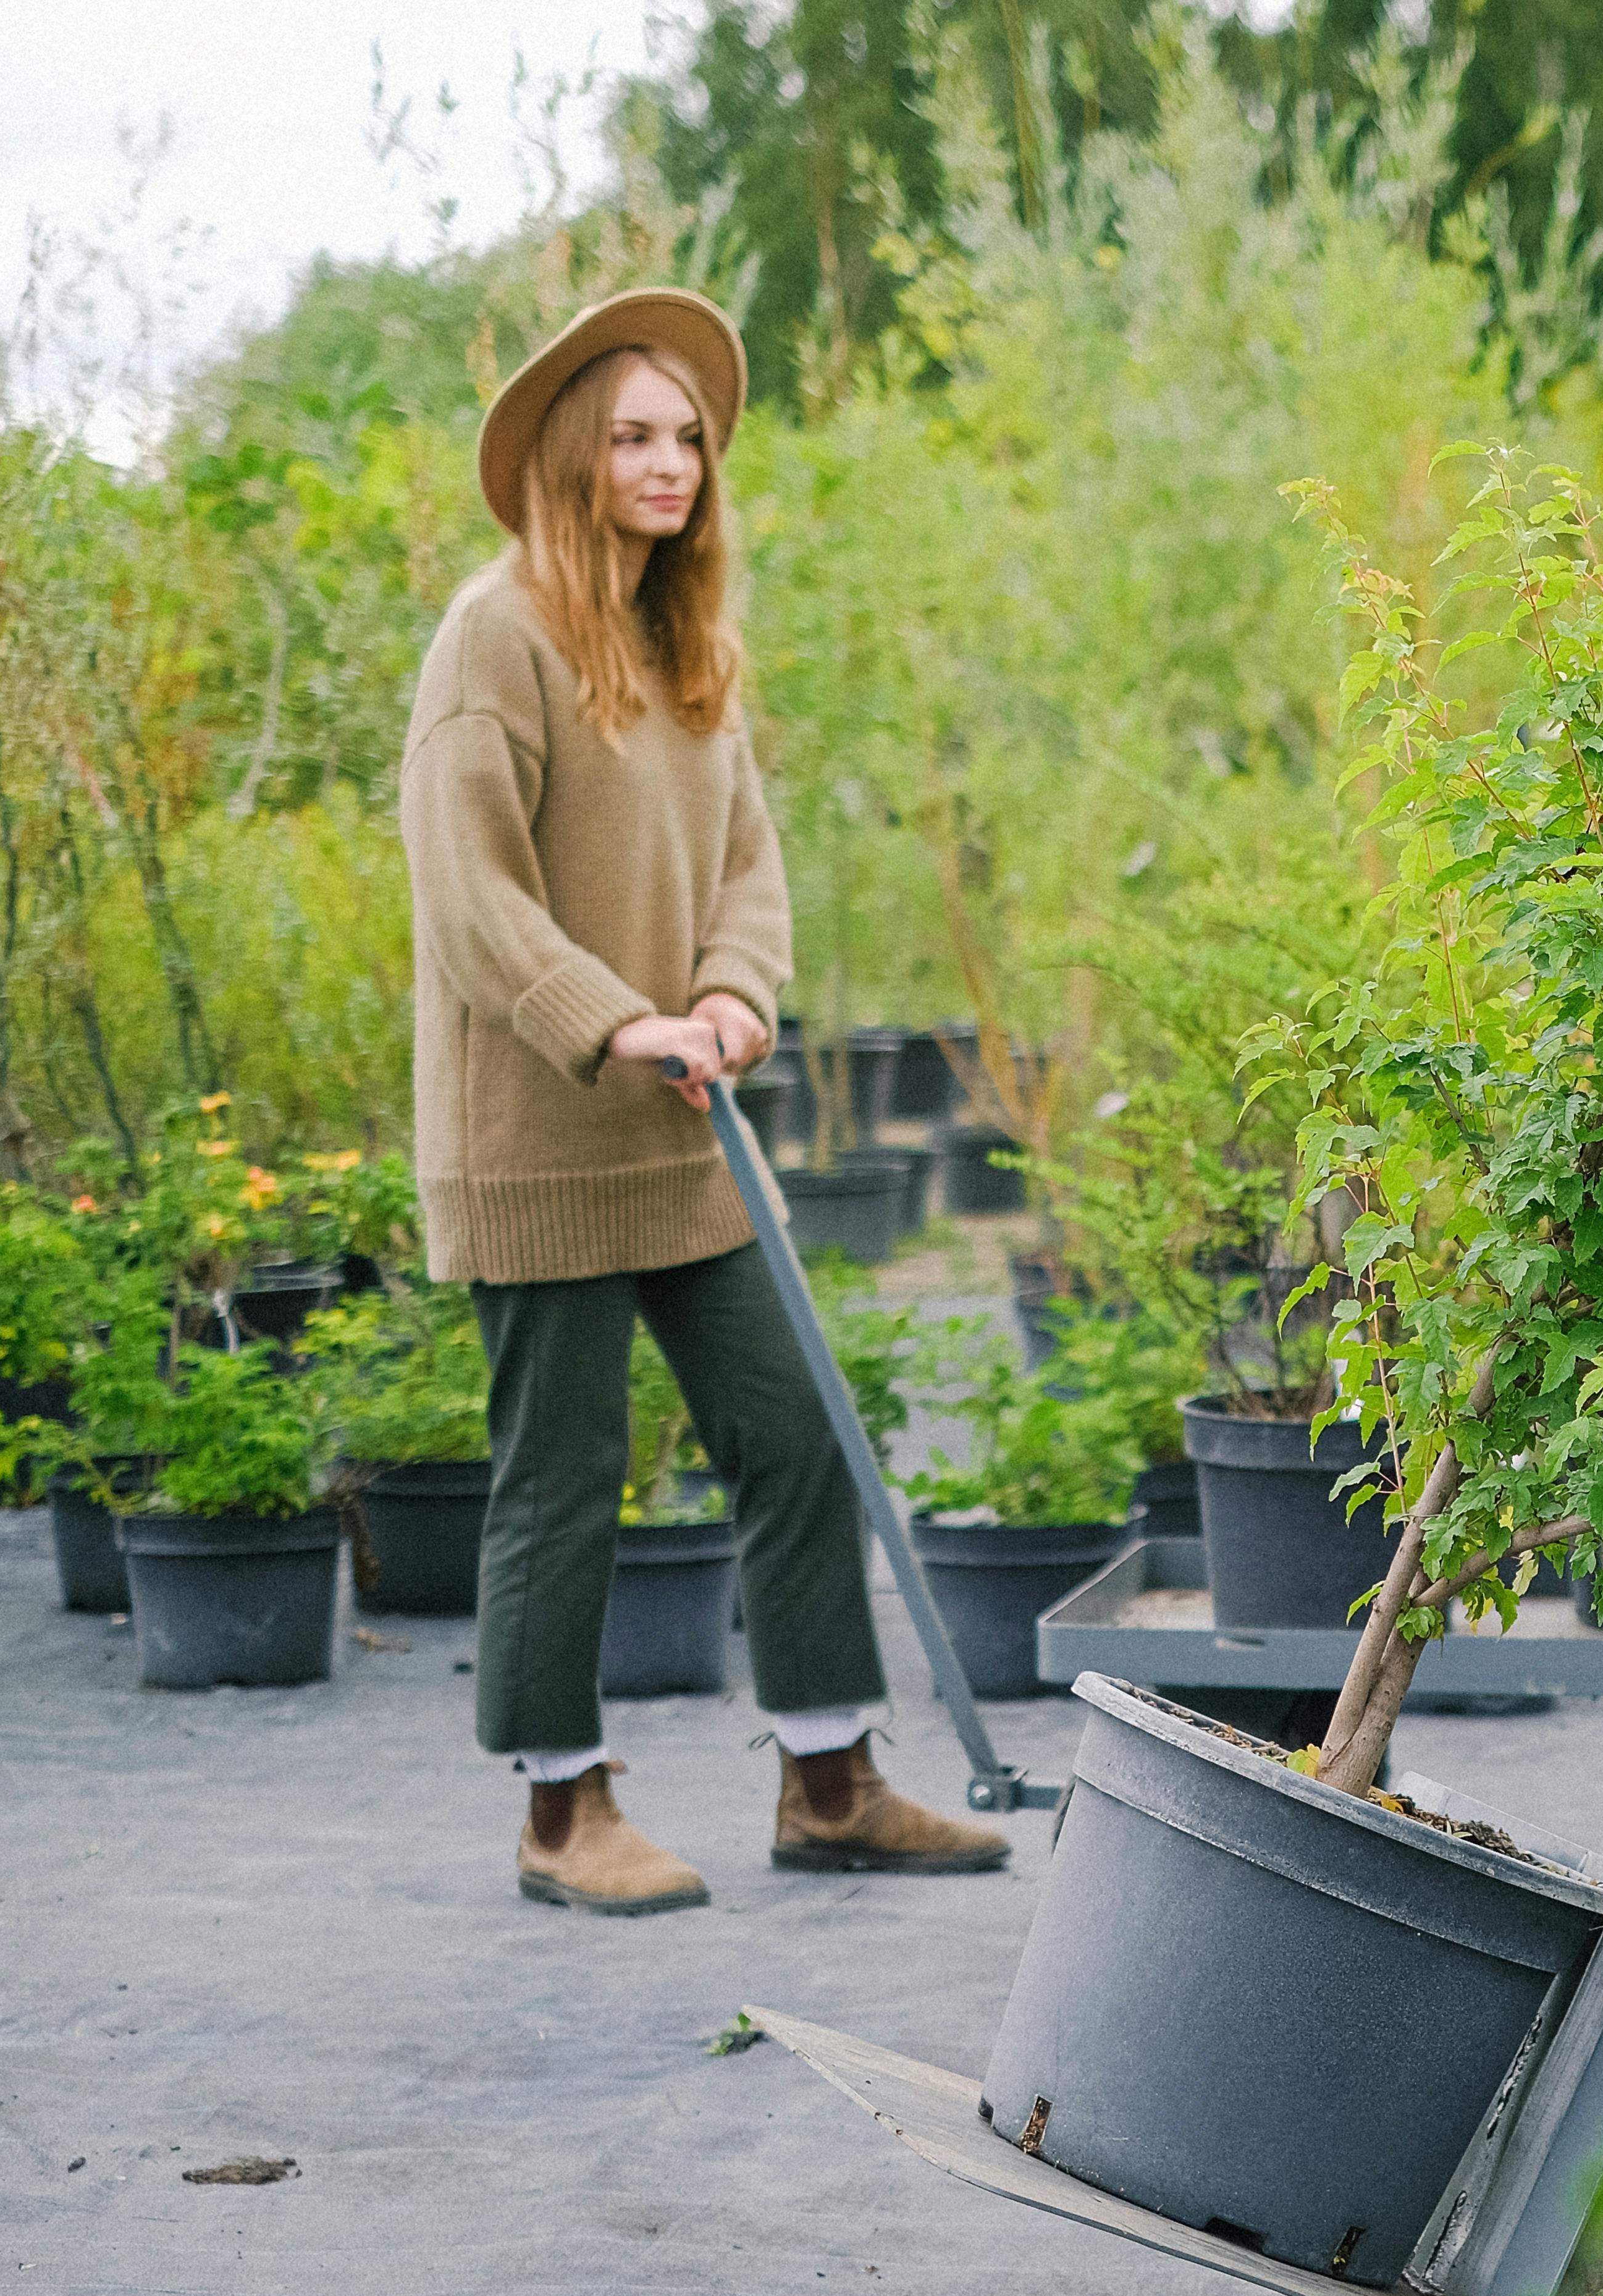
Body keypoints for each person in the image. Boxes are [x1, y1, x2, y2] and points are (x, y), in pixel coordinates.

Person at [397, 288, 1008, 1912]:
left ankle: (829, 1780)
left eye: (689, 441)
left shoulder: (691, 647)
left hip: (684, 1134)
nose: (670, 464)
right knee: (562, 1467)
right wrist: (614, 1026)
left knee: (791, 1428)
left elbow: (749, 862)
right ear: (566, 458)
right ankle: (559, 1811)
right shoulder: (496, 636)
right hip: (541, 1136)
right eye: (634, 437)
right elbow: (471, 898)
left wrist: (732, 994)